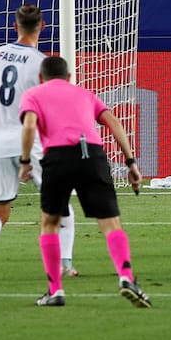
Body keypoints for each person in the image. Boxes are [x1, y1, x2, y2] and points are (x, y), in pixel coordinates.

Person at [0, 4, 77, 279]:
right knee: (61, 205)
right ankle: (65, 263)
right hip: (30, 143)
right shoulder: (42, 64)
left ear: (15, 26)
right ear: (42, 27)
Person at [19, 55, 150, 308]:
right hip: (93, 155)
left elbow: (29, 125)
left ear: (40, 78)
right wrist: (131, 161)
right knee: (110, 223)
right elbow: (113, 122)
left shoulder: (34, 94)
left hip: (58, 157)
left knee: (50, 223)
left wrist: (25, 161)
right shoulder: (84, 93)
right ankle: (126, 277)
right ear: (68, 77)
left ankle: (55, 290)